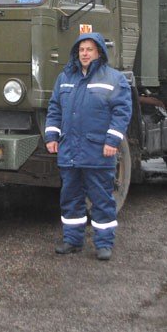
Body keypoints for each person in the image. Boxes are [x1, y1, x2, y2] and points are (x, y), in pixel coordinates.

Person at [45, 32, 132, 261]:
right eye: (81, 50)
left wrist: (112, 141)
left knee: (102, 199)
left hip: (98, 151)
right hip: (70, 151)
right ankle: (72, 241)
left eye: (89, 50)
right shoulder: (65, 78)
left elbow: (122, 112)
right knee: (70, 197)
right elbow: (55, 108)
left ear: (99, 52)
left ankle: (104, 244)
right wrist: (51, 137)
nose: (84, 54)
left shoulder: (114, 78)